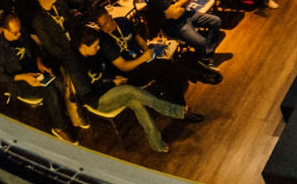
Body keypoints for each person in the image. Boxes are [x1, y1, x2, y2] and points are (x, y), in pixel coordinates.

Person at [69, 29, 200, 154]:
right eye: (95, 46)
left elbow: (101, 76)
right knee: (130, 91)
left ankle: (156, 142)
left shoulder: (93, 55)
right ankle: (174, 110)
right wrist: (112, 83)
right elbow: (88, 93)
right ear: (84, 47)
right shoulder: (75, 67)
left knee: (137, 102)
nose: (98, 48)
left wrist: (113, 79)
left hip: (109, 90)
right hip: (98, 101)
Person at [0, 14, 76, 142]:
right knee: (49, 90)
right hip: (20, 82)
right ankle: (59, 127)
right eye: (14, 33)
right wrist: (24, 77)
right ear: (5, 30)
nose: (18, 35)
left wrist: (39, 62)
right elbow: (1, 76)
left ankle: (68, 112)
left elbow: (34, 49)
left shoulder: (23, 32)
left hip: (34, 72)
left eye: (19, 31)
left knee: (58, 81)